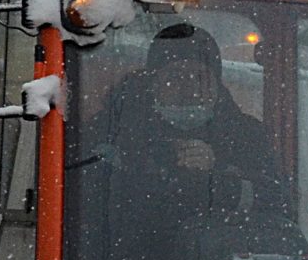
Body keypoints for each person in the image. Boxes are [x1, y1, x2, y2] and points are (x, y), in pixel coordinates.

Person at [95, 22, 282, 215]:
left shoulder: (247, 136)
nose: (189, 88)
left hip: (222, 244)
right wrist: (149, 168)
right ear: (153, 82)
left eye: (200, 77)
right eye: (175, 76)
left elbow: (278, 204)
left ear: (217, 84)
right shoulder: (113, 128)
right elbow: (87, 201)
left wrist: (217, 175)